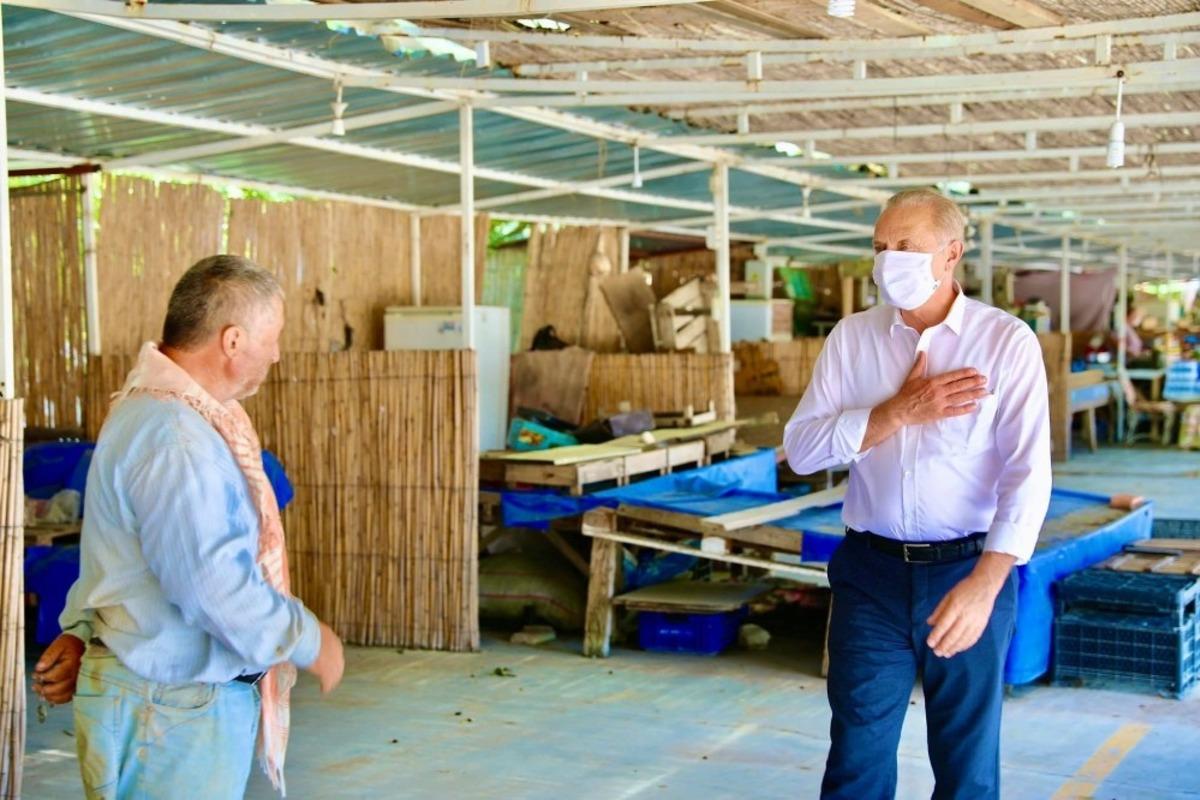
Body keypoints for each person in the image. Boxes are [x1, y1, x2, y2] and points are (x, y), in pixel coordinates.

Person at [32, 255, 345, 799]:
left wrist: (84, 630)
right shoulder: (176, 437)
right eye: (272, 336)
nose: (275, 353)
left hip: (159, 701)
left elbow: (119, 556)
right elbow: (211, 585)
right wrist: (308, 639)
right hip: (171, 707)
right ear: (232, 341)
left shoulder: (154, 412)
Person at [784, 188, 1051, 800]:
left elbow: (1027, 473)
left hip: (967, 571)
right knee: (857, 750)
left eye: (906, 246)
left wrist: (987, 583)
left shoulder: (1005, 343)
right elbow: (802, 450)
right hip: (870, 573)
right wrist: (895, 413)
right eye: (880, 247)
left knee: (966, 760)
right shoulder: (852, 340)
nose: (888, 261)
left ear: (951, 252)